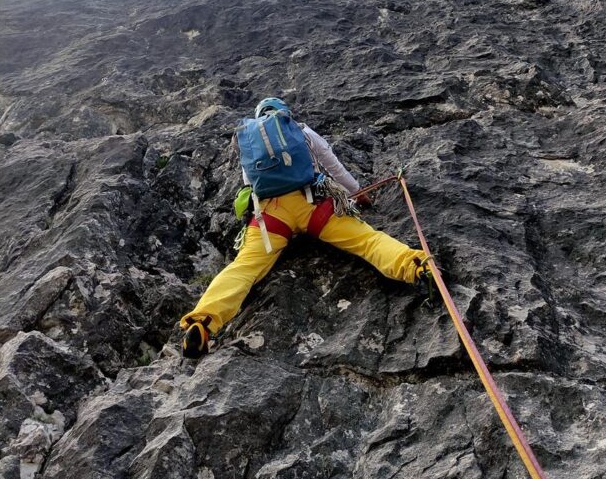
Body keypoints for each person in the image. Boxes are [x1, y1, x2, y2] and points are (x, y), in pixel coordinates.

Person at [180, 97, 431, 358]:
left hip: (271, 215)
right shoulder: (300, 130)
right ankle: (415, 264)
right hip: (314, 205)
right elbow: (332, 165)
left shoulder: (249, 141)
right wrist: (357, 193)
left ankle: (203, 321)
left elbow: (250, 183)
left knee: (244, 267)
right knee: (366, 240)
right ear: (283, 112)